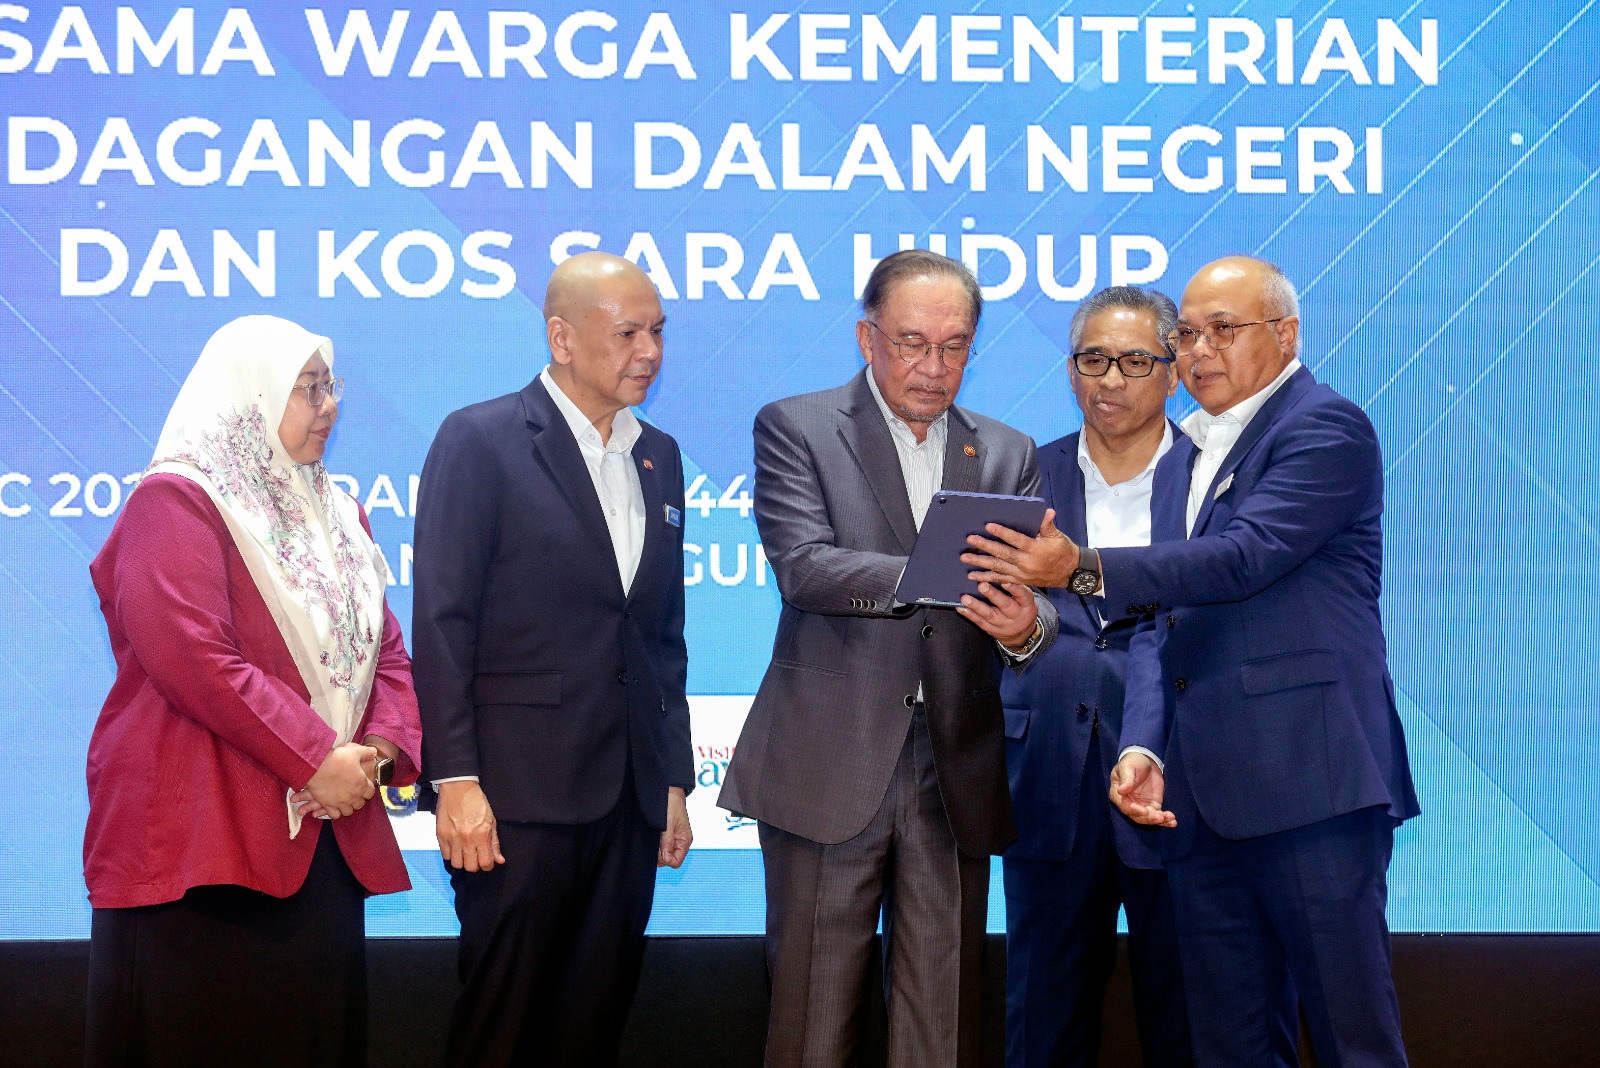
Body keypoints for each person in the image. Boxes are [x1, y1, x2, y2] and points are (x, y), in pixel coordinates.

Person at [965, 256, 1419, 1067]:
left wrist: (1081, 568)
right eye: (1191, 334)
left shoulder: (1323, 426)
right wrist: (1144, 745)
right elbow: (1166, 626)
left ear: (1286, 335)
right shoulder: (1207, 451)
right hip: (1202, 802)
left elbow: (1243, 560)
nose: (1202, 349)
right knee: (1230, 1045)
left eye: (1223, 330)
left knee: (1351, 1037)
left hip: (1308, 783)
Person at [719, 249, 1059, 1067]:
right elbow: (805, 567)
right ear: (867, 337)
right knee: (813, 1022)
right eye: (912, 343)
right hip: (829, 765)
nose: (933, 367)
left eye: (954, 346)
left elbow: (1035, 595)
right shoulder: (797, 426)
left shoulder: (1007, 451)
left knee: (941, 1027)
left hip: (954, 769)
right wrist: (938, 573)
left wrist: (1024, 627)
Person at [82, 314, 423, 1066]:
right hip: (200, 844)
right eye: (308, 389)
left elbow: (386, 651)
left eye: (331, 386)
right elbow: (196, 660)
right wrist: (317, 759)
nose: (329, 406)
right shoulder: (175, 502)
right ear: (250, 395)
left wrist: (374, 754)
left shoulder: (339, 513)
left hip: (323, 839)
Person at [412, 251, 693, 1067]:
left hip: (630, 797)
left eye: (658, 332)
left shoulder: (658, 454)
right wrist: (455, 780)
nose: (650, 351)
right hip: (516, 799)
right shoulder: (481, 439)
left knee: (591, 1030)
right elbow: (443, 621)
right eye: (629, 333)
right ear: (562, 338)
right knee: (502, 1029)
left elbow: (661, 633)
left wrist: (672, 779)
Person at [1000, 286, 1193, 1067]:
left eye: (1135, 361)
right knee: (1043, 1021)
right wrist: (1017, 640)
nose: (1111, 379)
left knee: (1192, 1015)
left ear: (1174, 372)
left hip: (1180, 778)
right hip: (1047, 772)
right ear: (1070, 370)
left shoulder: (1214, 479)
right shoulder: (1019, 478)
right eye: (1093, 359)